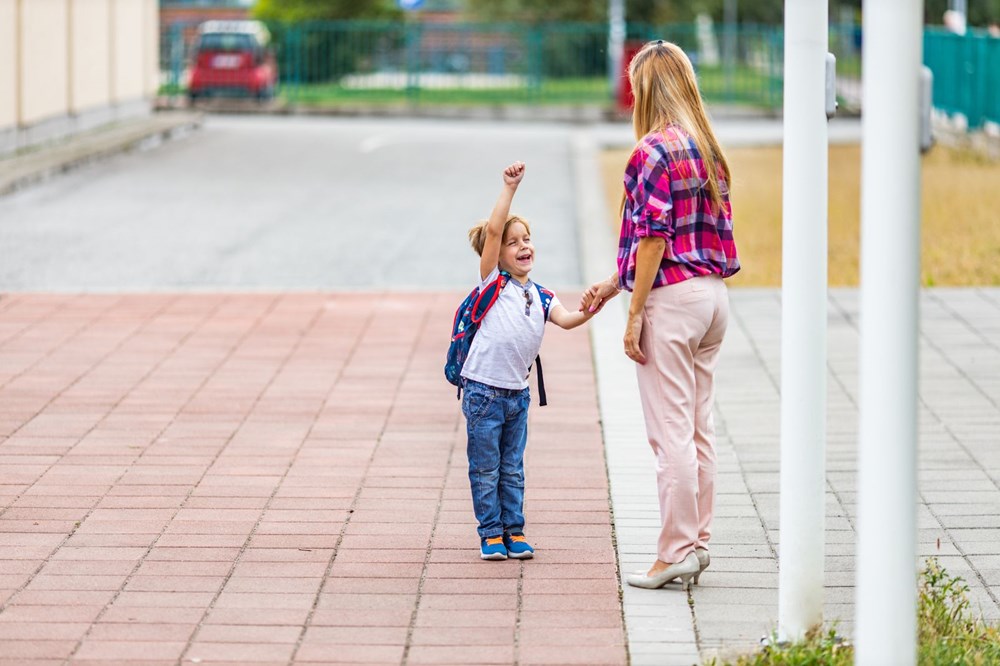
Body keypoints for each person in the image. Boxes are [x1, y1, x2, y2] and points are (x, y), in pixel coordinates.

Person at [581, 40, 740, 589]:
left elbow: (654, 239)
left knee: (669, 432)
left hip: (671, 303)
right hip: (712, 298)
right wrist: (614, 284)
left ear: (645, 88)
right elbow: (683, 239)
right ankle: (697, 542)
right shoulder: (706, 148)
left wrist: (634, 314)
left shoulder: (650, 151)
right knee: (697, 428)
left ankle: (674, 551)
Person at [462, 161, 594, 561]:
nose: (523, 246)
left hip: (518, 395)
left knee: (513, 468)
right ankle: (490, 533)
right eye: (513, 242)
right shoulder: (493, 283)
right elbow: (494, 230)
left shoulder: (541, 295)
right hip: (483, 392)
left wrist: (593, 307)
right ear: (496, 254)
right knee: (486, 468)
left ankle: (514, 530)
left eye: (528, 239)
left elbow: (568, 320)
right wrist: (509, 188)